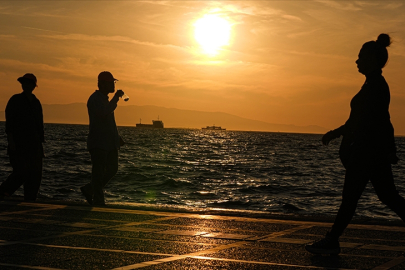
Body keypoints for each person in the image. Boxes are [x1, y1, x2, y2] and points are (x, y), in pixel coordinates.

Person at [305, 34, 405, 255]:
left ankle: (332, 240)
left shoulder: (376, 86)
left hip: (366, 152)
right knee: (388, 196)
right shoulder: (373, 84)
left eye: (360, 57)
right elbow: (382, 120)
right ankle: (332, 239)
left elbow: (365, 121)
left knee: (351, 198)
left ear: (371, 60)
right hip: (372, 151)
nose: (356, 61)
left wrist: (335, 133)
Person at [80, 71, 125, 206]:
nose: (113, 85)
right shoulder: (95, 99)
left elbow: (108, 122)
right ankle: (98, 201)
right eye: (111, 83)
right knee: (98, 173)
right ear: (102, 84)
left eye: (113, 83)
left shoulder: (104, 99)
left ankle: (90, 190)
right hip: (99, 142)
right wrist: (116, 98)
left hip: (109, 142)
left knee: (112, 169)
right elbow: (104, 113)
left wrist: (117, 137)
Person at [0, 73, 45, 201]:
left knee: (35, 175)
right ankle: (3, 192)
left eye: (29, 83)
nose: (26, 85)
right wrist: (11, 141)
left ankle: (30, 200)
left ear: (33, 85)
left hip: (34, 144)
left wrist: (40, 144)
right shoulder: (15, 100)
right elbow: (10, 123)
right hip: (19, 143)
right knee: (21, 172)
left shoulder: (36, 102)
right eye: (24, 83)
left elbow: (39, 124)